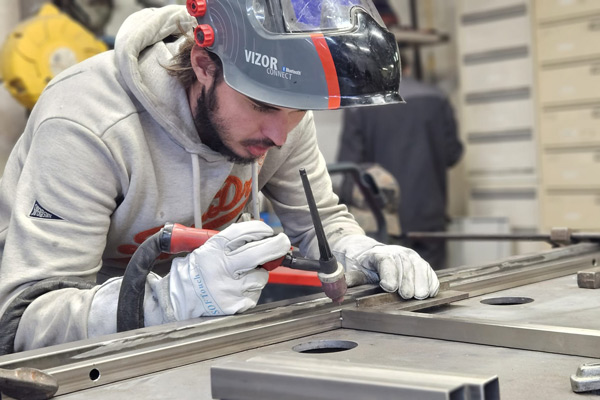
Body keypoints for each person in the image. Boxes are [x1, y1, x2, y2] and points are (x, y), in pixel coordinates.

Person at [0, 1, 439, 353]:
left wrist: (363, 252)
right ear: (204, 64)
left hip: (195, 338)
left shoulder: (281, 119)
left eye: (300, 111)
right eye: (262, 106)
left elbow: (321, 223)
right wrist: (170, 302)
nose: (280, 136)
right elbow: (25, 324)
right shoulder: (88, 124)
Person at [337, 51, 463, 269]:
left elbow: (350, 167)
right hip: (429, 216)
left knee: (390, 286)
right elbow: (452, 154)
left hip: (383, 221)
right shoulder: (437, 98)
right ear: (407, 68)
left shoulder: (360, 105)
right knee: (435, 283)